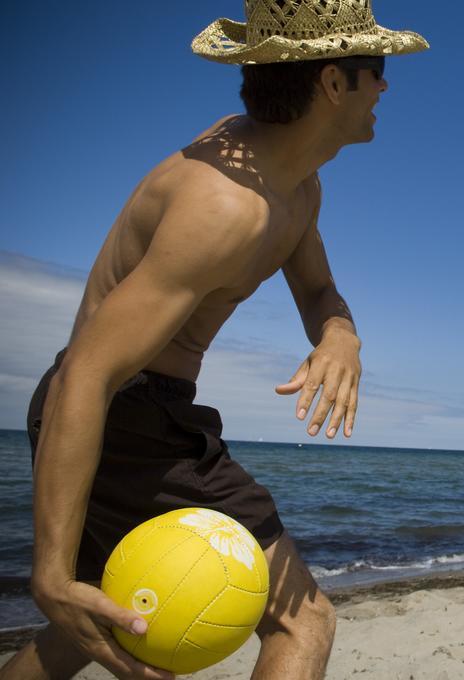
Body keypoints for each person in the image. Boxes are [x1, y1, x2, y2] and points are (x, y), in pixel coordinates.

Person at [0, 2, 428, 679]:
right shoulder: (225, 207)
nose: (385, 86)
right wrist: (48, 574)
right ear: (333, 84)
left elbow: (319, 291)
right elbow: (88, 372)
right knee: (303, 618)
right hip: (120, 412)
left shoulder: (296, 187)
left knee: (96, 625)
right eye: (375, 69)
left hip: (138, 406)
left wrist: (341, 336)